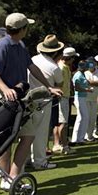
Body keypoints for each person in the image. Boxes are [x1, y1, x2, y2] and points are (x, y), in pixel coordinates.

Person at [0, 13, 62, 189]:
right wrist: (5, 89)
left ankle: (13, 177)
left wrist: (48, 86)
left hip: (21, 97)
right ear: (22, 29)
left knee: (28, 135)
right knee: (5, 140)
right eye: (27, 27)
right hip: (5, 99)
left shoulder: (21, 45)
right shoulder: (3, 46)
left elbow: (32, 67)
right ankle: (6, 179)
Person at [28, 34, 64, 169]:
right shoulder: (54, 66)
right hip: (43, 100)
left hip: (28, 98)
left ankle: (26, 159)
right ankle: (39, 161)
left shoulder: (33, 59)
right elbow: (60, 83)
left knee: (27, 131)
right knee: (41, 132)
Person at [53, 47, 78, 154]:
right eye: (73, 58)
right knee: (63, 123)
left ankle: (57, 144)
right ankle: (64, 146)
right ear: (69, 58)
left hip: (64, 97)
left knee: (59, 123)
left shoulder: (65, 67)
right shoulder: (62, 68)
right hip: (61, 97)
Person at [71, 60, 92, 144]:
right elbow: (77, 88)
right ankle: (78, 138)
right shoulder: (78, 75)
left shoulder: (82, 74)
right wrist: (87, 89)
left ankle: (79, 138)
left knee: (83, 117)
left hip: (83, 97)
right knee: (83, 117)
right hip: (79, 98)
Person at [85, 57, 98, 141]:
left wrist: (91, 83)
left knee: (93, 118)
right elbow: (85, 84)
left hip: (94, 98)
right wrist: (95, 83)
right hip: (85, 98)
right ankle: (85, 136)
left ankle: (90, 136)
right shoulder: (84, 72)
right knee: (86, 117)